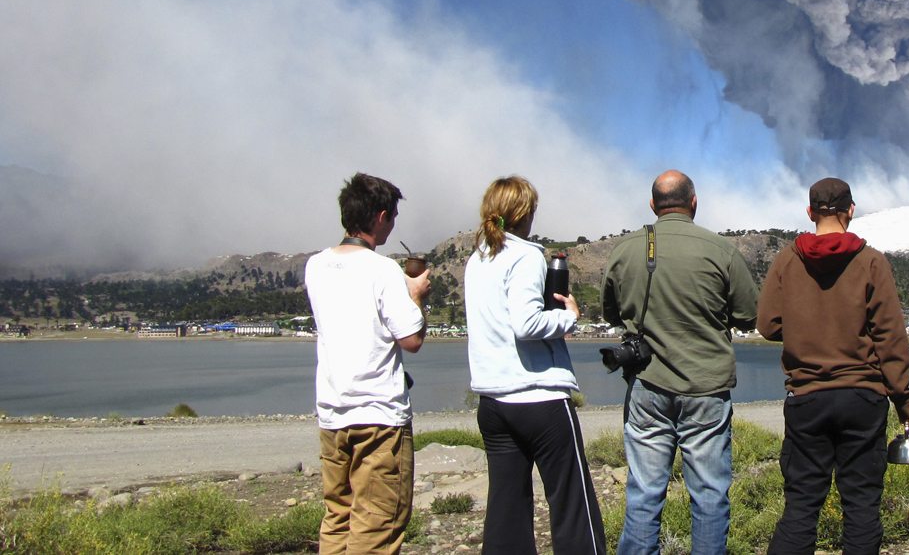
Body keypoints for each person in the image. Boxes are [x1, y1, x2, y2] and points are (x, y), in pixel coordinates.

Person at [756, 177, 909, 555]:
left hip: (807, 398)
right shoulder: (871, 261)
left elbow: (767, 324)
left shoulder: (787, 259)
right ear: (851, 210)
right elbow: (891, 337)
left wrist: (804, 328)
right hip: (863, 398)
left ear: (810, 212)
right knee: (862, 507)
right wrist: (904, 400)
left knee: (801, 507)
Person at [603, 169, 759, 555]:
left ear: (653, 205)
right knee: (709, 495)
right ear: (694, 202)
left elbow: (610, 312)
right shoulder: (721, 250)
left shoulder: (625, 250)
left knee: (643, 493)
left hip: (647, 386)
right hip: (707, 388)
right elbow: (749, 315)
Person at [464, 175, 606, 554]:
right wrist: (569, 317)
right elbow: (526, 324)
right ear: (525, 213)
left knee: (506, 509)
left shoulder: (477, 260)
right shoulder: (526, 254)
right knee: (573, 506)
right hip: (539, 399)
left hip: (493, 402)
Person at [304, 172, 430, 554]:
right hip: (378, 418)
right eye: (391, 216)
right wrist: (417, 295)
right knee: (377, 528)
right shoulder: (383, 270)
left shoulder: (316, 265)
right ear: (379, 217)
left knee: (338, 520)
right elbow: (412, 340)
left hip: (332, 415)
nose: (392, 225)